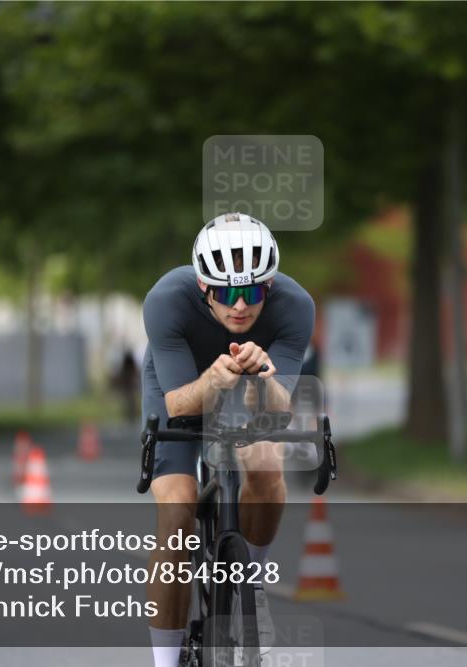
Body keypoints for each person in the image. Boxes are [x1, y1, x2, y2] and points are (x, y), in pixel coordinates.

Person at [141, 213, 314, 667]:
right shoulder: (167, 300)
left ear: (270, 286)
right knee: (177, 513)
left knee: (265, 466)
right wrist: (214, 380)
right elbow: (178, 404)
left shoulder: (296, 306)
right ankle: (165, 661)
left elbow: (279, 408)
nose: (240, 305)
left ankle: (251, 583)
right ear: (203, 287)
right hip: (181, 383)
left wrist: (261, 377)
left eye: (253, 292)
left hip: (253, 388)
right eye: (226, 292)